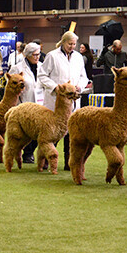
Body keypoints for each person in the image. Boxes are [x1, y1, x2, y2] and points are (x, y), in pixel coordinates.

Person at [38, 31, 89, 170]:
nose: (72, 46)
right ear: (63, 42)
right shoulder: (52, 56)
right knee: (51, 134)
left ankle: (69, 163)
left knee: (71, 135)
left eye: (74, 44)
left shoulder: (79, 57)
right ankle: (45, 161)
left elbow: (83, 76)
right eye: (70, 44)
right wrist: (56, 87)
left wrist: (80, 85)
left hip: (73, 102)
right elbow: (42, 75)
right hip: (56, 101)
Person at [9, 42, 45, 164]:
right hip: (24, 103)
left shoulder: (42, 67)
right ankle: (21, 153)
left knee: (37, 131)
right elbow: (11, 87)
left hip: (40, 103)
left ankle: (29, 153)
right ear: (28, 55)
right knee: (23, 132)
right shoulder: (17, 68)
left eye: (38, 54)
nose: (37, 57)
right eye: (35, 55)